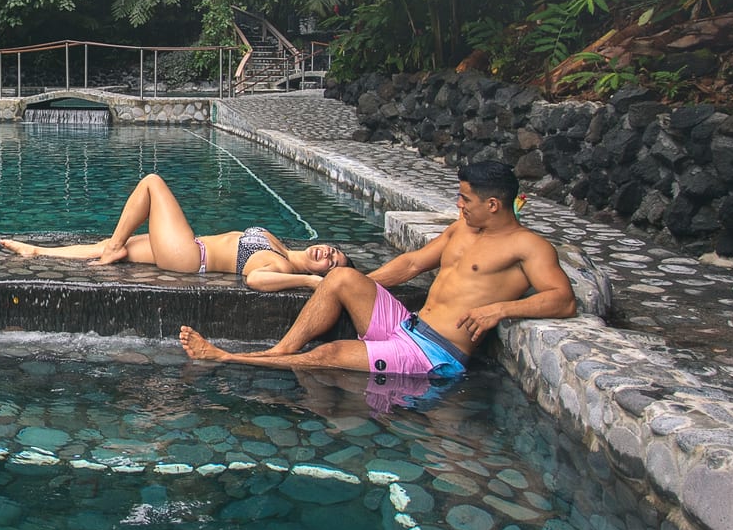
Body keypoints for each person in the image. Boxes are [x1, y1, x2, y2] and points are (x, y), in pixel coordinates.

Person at [178, 161, 576, 376]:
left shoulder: (528, 247)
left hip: (433, 352)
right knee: (341, 277)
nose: (459, 205)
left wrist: (501, 309)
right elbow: (412, 263)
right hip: (408, 324)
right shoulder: (462, 229)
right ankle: (282, 349)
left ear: (494, 205)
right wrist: (356, 285)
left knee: (329, 353)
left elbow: (563, 301)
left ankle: (227, 358)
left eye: (465, 199)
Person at [0, 172, 346, 291]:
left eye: (331, 264)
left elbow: (255, 281)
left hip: (190, 258)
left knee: (152, 183)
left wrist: (309, 282)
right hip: (189, 248)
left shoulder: (283, 268)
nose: (327, 255)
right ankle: (37, 251)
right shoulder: (281, 247)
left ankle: (113, 247)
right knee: (114, 247)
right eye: (333, 251)